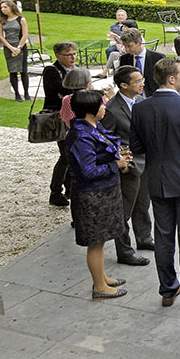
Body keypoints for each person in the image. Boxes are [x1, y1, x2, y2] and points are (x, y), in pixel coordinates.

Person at [129, 57, 180, 308]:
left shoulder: (140, 108)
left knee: (163, 238)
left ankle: (167, 289)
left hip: (157, 181)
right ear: (171, 79)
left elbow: (136, 146)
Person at [66, 89, 133, 300]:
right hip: (92, 197)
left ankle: (102, 277)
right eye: (102, 105)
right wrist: (116, 164)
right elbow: (88, 171)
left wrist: (118, 154)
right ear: (91, 110)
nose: (105, 107)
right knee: (95, 242)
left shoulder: (92, 126)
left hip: (104, 193)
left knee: (102, 240)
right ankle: (99, 287)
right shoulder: (80, 136)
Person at [100, 65, 151, 267]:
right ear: (123, 85)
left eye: (142, 79)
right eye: (137, 81)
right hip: (128, 165)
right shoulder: (112, 109)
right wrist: (121, 161)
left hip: (145, 160)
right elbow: (106, 139)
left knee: (143, 203)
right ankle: (125, 251)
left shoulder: (140, 100)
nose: (142, 84)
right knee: (124, 210)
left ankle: (144, 238)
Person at [44, 41, 79, 206]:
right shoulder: (51, 71)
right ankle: (56, 192)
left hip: (73, 116)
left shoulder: (73, 69)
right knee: (66, 155)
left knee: (70, 154)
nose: (73, 58)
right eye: (69, 55)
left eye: (74, 54)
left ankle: (69, 188)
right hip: (59, 117)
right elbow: (64, 89)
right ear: (58, 56)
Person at [118, 27, 165, 97]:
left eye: (130, 46)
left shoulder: (158, 58)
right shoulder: (124, 59)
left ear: (139, 42)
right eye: (124, 46)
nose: (127, 49)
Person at [0, 0, 29, 101]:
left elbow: (25, 35)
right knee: (12, 71)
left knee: (24, 71)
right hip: (8, 48)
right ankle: (17, 94)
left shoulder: (21, 19)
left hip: (21, 47)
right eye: (1, 8)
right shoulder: (2, 20)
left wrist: (18, 48)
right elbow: (1, 36)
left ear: (11, 7)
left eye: (5, 7)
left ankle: (26, 93)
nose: (3, 9)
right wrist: (10, 48)